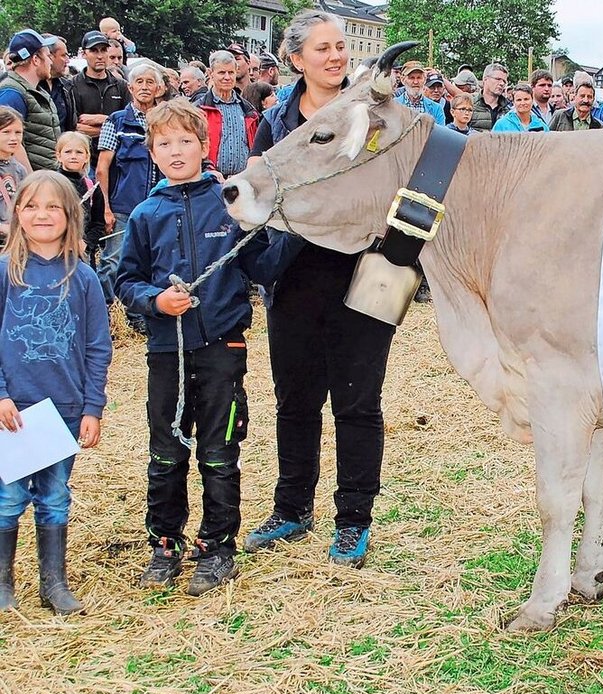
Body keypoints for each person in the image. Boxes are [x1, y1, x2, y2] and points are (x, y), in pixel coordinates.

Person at [243, 10, 397, 568]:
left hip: (368, 273)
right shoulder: (275, 121)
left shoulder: (375, 113)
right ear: (296, 58)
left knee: (358, 402)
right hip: (297, 276)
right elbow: (261, 195)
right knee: (296, 400)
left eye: (340, 47)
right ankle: (291, 508)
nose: (336, 56)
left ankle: (354, 518)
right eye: (323, 48)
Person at [114, 99, 273, 592]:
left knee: (220, 450)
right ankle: (164, 545)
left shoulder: (228, 200)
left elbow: (262, 264)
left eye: (187, 141)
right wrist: (156, 301)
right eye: (165, 144)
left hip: (221, 347)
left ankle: (218, 545)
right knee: (165, 451)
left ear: (204, 146)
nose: (176, 150)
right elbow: (126, 281)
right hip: (167, 350)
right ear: (152, 152)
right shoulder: (145, 213)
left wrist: (287, 231)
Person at [0, 170, 112, 615]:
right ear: (17, 214)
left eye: (52, 207)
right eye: (31, 206)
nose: (42, 215)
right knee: (8, 496)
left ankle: (54, 583)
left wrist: (92, 406)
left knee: (54, 494)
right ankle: (3, 583)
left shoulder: (83, 278)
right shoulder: (5, 273)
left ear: (70, 216)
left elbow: (97, 346)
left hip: (62, 409)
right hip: (15, 411)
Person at [97, 61, 165, 312]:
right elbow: (103, 167)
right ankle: (105, 313)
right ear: (130, 87)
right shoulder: (116, 122)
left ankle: (140, 313)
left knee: (154, 260)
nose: (145, 87)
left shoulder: (165, 121)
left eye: (150, 82)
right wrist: (106, 207)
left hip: (160, 205)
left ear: (159, 88)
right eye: (139, 82)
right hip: (125, 206)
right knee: (113, 261)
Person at [191, 51, 260, 178]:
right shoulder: (197, 110)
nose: (227, 77)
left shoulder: (248, 110)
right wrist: (207, 170)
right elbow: (191, 147)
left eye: (231, 72)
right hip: (209, 180)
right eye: (222, 73)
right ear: (211, 74)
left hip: (243, 179)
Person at [0, 29, 60, 171]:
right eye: (47, 55)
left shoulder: (35, 91)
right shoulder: (11, 93)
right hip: (32, 184)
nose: (50, 61)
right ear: (35, 59)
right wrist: (30, 182)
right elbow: (12, 144)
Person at [69, 31, 129, 168]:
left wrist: (101, 120)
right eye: (94, 51)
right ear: (84, 54)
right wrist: (112, 125)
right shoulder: (72, 86)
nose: (100, 56)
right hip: (84, 161)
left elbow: (127, 124)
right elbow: (76, 128)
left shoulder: (121, 86)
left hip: (116, 159)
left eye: (103, 50)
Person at [54, 131, 105, 283]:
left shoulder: (92, 187)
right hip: (56, 251)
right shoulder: (51, 184)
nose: (73, 156)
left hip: (82, 253)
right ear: (58, 155)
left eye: (79, 152)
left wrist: (87, 243)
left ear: (87, 156)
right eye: (68, 152)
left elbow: (98, 223)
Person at [0, 109, 29, 247]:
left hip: (13, 242)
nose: (14, 138)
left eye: (18, 132)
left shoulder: (19, 169)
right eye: (6, 132)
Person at [41, 36, 77, 138]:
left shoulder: (66, 87)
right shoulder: (30, 87)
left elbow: (70, 126)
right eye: (63, 55)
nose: (67, 61)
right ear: (49, 56)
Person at [469, 62, 511, 132]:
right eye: (498, 79)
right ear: (485, 79)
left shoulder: (508, 111)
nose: (502, 83)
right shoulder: (470, 104)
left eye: (504, 81)